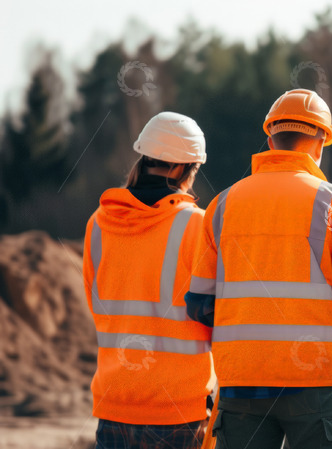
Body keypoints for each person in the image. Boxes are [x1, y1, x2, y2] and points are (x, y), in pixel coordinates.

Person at [185, 88, 332, 449]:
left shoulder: (222, 205)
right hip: (315, 380)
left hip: (240, 381)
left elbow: (199, 304)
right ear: (321, 140)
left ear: (270, 138)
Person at [82, 112, 215, 449]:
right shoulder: (197, 225)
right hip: (177, 411)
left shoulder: (98, 223)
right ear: (183, 169)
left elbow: (95, 302)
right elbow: (216, 313)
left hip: (115, 403)